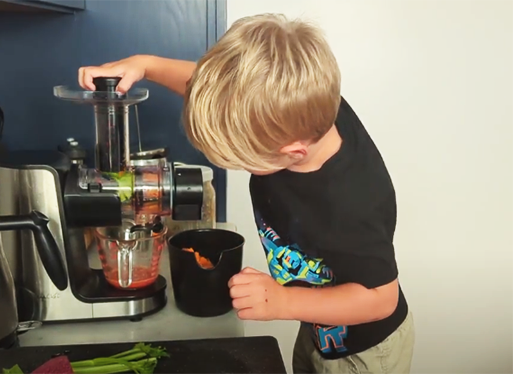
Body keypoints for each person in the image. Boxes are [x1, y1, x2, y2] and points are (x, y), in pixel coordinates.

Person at [78, 13, 415, 374]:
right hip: (319, 328)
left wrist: (284, 301)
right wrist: (145, 65)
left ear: (293, 151)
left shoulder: (350, 202)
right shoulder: (300, 109)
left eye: (246, 161)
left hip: (364, 352)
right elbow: (221, 91)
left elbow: (380, 299)